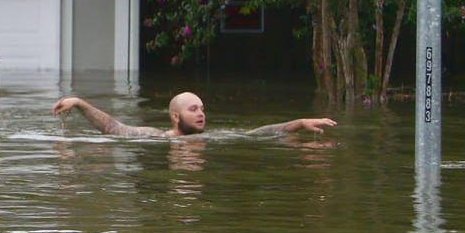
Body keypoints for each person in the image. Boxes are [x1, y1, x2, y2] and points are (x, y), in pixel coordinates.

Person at [52, 91, 337, 137]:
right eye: (193, 109)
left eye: (202, 109)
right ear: (175, 117)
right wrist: (79, 103)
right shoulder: (157, 138)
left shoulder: (211, 138)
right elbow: (114, 128)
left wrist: (299, 123)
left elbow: (257, 134)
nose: (201, 114)